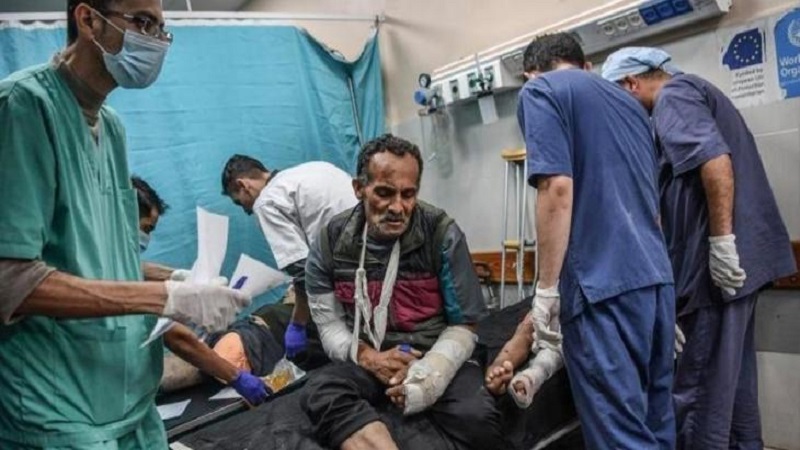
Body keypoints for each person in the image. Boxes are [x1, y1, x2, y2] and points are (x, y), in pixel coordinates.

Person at [0, 2, 250, 448]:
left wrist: (179, 278)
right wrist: (165, 297)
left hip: (131, 398)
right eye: (143, 23)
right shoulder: (23, 107)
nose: (156, 42)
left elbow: (103, 254)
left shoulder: (111, 128)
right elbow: (10, 280)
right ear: (88, 20)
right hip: (59, 406)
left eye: (162, 29)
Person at [602, 47, 796, 450]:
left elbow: (715, 160)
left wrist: (722, 244)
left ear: (631, 84)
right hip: (741, 268)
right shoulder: (697, 93)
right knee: (734, 388)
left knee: (698, 396)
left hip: (716, 272)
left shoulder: (673, 97)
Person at [517, 33, 676, 449]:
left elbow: (557, 188)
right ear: (585, 64)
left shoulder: (541, 91)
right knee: (656, 423)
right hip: (655, 283)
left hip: (601, 288)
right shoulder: (632, 105)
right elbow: (651, 205)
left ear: (530, 73)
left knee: (620, 436)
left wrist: (546, 289)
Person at [301, 134, 507, 450]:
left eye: (408, 194)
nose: (398, 207)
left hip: (434, 351)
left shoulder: (441, 233)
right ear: (359, 188)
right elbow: (329, 326)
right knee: (321, 392)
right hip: (371, 356)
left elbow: (465, 326)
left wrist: (431, 374)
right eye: (384, 193)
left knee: (477, 418)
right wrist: (369, 358)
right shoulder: (330, 242)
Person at [133, 176, 269, 406]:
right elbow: (177, 338)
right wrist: (235, 376)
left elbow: (133, 269)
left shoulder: (113, 259)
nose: (147, 239)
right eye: (146, 228)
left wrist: (178, 276)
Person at [221, 155, 356, 359]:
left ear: (243, 185)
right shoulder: (317, 167)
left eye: (240, 203)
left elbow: (304, 273)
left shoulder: (266, 203)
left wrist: (297, 324)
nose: (246, 210)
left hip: (349, 279)